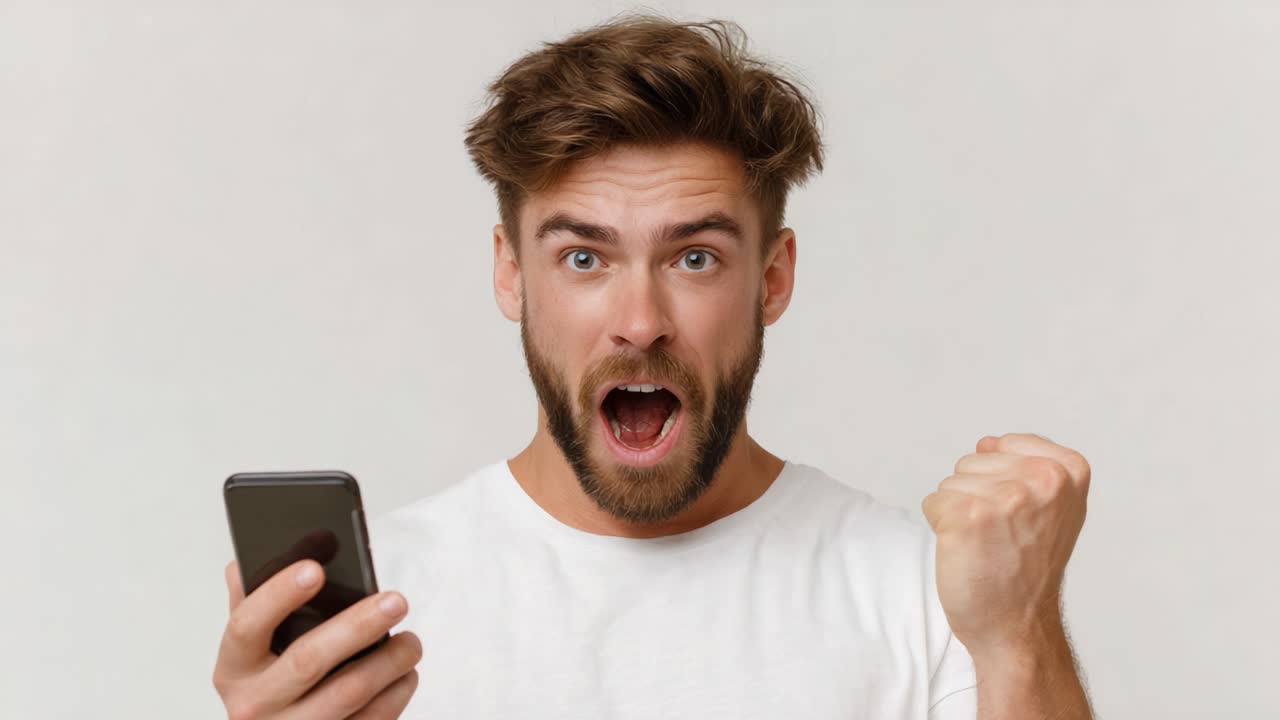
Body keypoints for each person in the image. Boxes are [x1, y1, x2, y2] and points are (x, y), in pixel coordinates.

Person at [212, 15, 1094, 720]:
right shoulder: (382, 610)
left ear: (774, 277)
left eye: (695, 258)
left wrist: (1016, 634)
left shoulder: (918, 590)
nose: (640, 324)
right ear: (511, 275)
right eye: (584, 260)